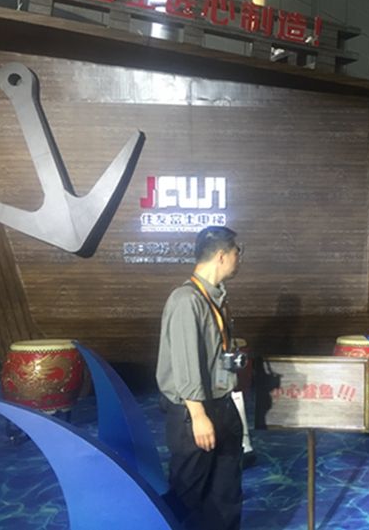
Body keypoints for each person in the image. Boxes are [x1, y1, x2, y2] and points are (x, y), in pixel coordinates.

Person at [157, 226, 245, 530]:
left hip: (221, 405)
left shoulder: (217, 298)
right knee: (188, 491)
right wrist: (198, 415)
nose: (238, 258)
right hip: (194, 413)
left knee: (226, 491)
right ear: (221, 255)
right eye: (237, 252)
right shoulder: (186, 300)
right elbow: (186, 363)